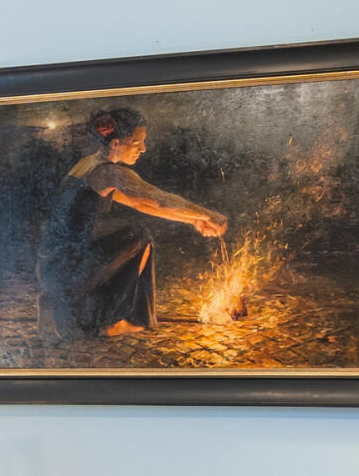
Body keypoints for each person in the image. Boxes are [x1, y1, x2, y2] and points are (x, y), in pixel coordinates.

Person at [38, 106, 227, 338]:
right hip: (67, 271)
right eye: (137, 143)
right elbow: (159, 200)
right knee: (140, 236)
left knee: (132, 233)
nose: (143, 149)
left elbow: (141, 204)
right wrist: (210, 215)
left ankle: (78, 314)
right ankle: (112, 321)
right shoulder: (109, 173)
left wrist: (194, 221)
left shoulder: (89, 164)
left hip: (54, 268)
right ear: (116, 144)